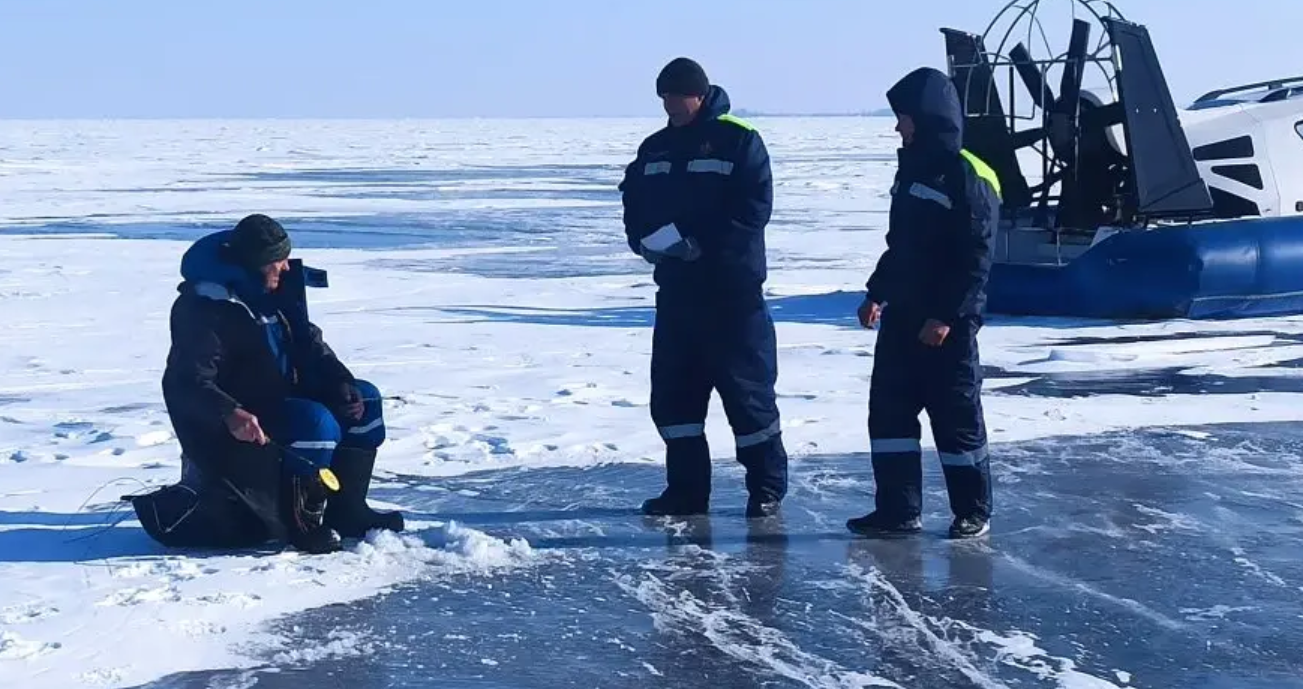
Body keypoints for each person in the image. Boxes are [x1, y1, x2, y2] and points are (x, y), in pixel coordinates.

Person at [136, 214, 403, 554]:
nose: (287, 268)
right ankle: (302, 526)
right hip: (231, 427)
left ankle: (348, 511)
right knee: (314, 423)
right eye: (278, 262)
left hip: (282, 398)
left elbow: (310, 344)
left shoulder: (275, 291)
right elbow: (184, 381)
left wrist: (340, 380)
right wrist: (230, 413)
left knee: (367, 401)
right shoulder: (205, 308)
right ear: (252, 265)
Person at [617, 57, 788, 519]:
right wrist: (645, 243)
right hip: (677, 294)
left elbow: (754, 209)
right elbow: (633, 200)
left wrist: (703, 245)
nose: (669, 105)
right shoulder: (655, 148)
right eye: (663, 98)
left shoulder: (739, 140)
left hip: (732, 296)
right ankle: (686, 490)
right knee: (675, 400)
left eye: (676, 96)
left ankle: (766, 489)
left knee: (747, 397)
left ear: (698, 94)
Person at [847, 67, 1001, 540]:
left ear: (927, 118)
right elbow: (901, 245)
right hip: (903, 317)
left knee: (955, 421)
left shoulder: (969, 175)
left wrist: (948, 316)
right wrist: (877, 292)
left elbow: (976, 258)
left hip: (944, 327)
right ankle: (898, 509)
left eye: (903, 118)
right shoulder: (911, 170)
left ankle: (972, 510)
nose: (898, 127)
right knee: (889, 416)